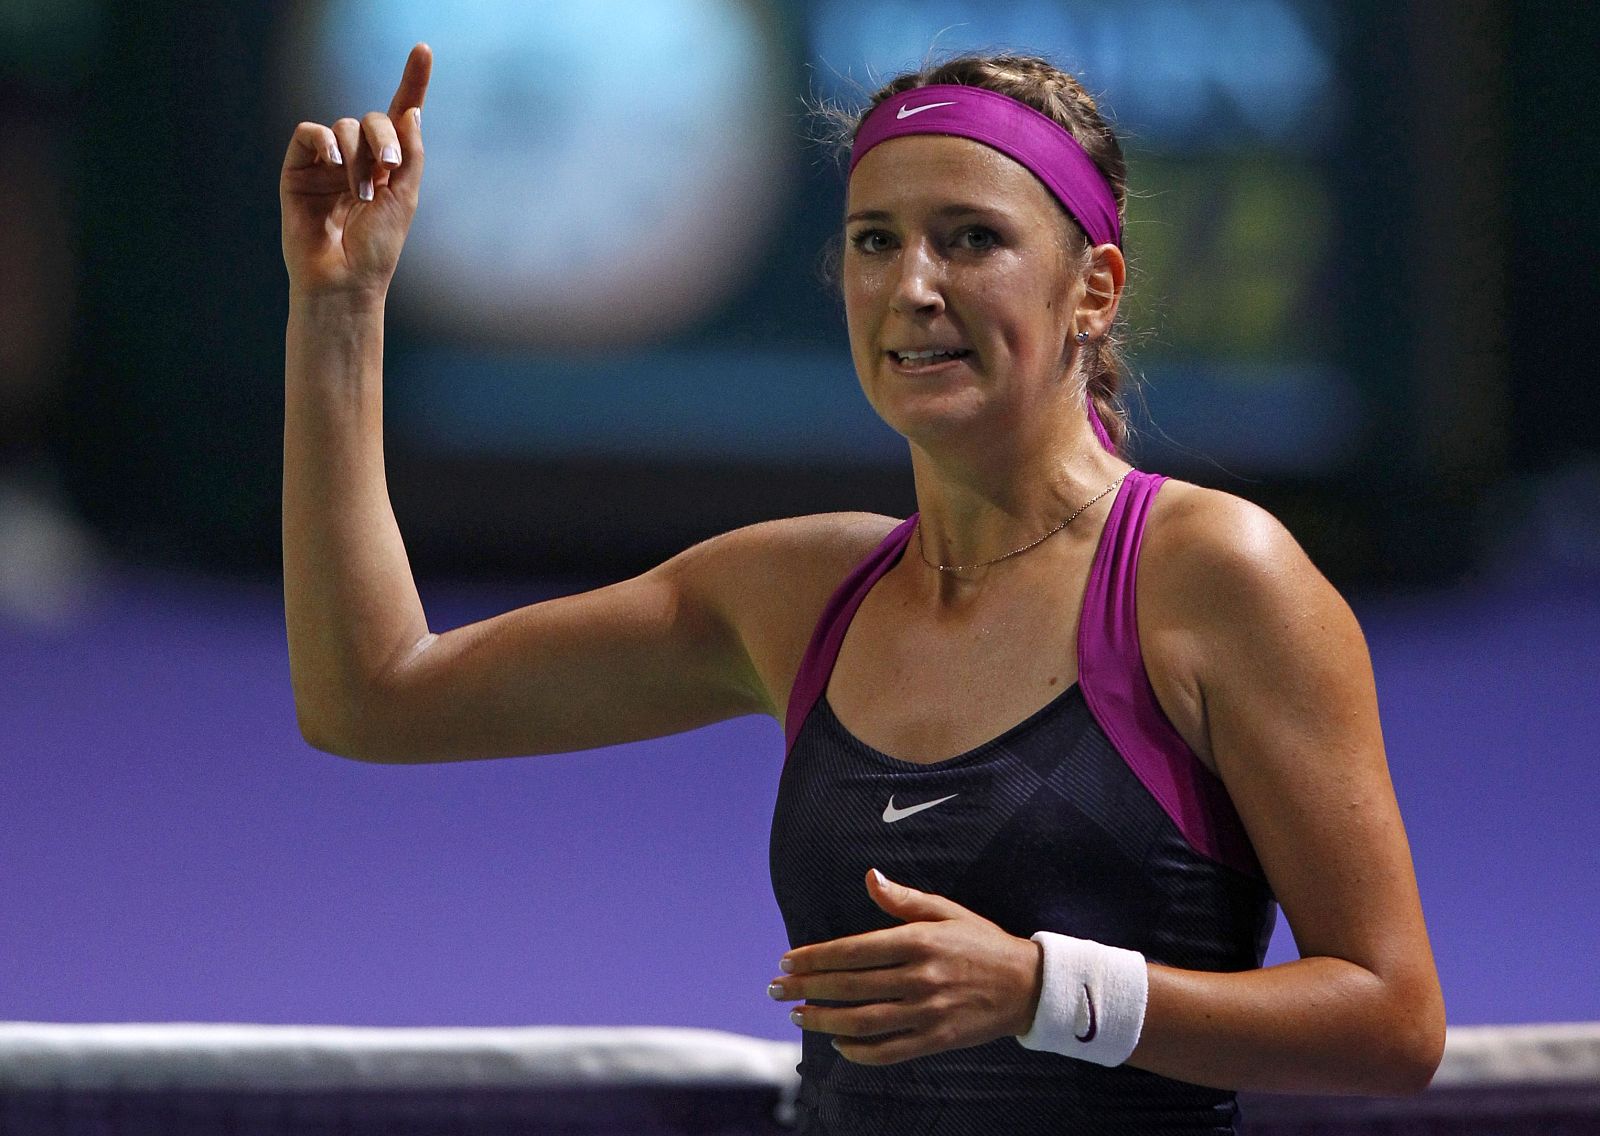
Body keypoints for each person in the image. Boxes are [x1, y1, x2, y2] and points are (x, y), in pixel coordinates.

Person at [280, 43, 1445, 1134]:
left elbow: (1392, 1021)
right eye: (876, 240)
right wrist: (340, 306)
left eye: (972, 238)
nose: (913, 287)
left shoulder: (1212, 575)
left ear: (1092, 289)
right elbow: (374, 695)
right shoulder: (791, 592)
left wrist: (1045, 988)